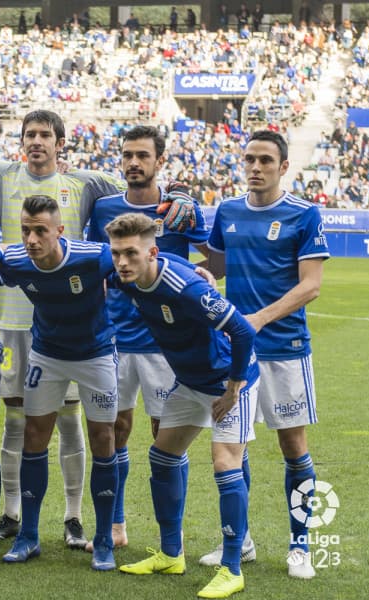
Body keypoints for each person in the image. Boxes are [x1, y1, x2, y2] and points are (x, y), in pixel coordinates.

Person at [0, 109, 195, 547]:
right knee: (18, 420)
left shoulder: (87, 183)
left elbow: (140, 188)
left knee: (72, 421)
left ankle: (74, 517)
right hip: (15, 319)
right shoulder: (0, 175)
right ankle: (13, 512)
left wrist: (180, 190)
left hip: (75, 322)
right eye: (29, 134)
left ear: (61, 142)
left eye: (44, 135)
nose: (36, 141)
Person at [107, 212, 258, 600]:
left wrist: (233, 389)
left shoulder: (183, 288)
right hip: (190, 382)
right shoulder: (126, 275)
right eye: (117, 253)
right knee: (163, 456)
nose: (123, 262)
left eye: (131, 254)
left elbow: (241, 330)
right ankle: (171, 554)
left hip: (230, 381)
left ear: (151, 252)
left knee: (225, 463)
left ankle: (232, 567)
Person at [203, 130, 330, 580]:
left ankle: (301, 546)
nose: (255, 168)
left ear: (283, 167)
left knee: (293, 447)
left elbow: (310, 285)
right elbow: (215, 266)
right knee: (234, 449)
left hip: (286, 350)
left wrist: (257, 319)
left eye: (264, 161)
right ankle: (241, 541)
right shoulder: (228, 211)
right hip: (236, 352)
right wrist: (197, 265)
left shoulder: (303, 214)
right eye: (249, 160)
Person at [86, 125, 209, 552]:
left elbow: (217, 259)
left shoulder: (178, 209)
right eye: (127, 155)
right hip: (115, 340)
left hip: (165, 345)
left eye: (142, 155)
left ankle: (167, 536)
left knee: (166, 435)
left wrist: (200, 277)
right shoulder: (104, 208)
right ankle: (116, 525)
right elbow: (94, 264)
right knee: (113, 430)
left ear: (160, 160)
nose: (134, 163)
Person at [0, 195, 119, 571]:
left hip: (96, 354)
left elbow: (140, 259)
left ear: (60, 231)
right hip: (46, 355)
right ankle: (29, 535)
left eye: (40, 231)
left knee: (103, 440)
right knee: (34, 436)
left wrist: (193, 270)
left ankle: (102, 540)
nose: (31, 240)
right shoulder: (17, 260)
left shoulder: (93, 256)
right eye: (26, 230)